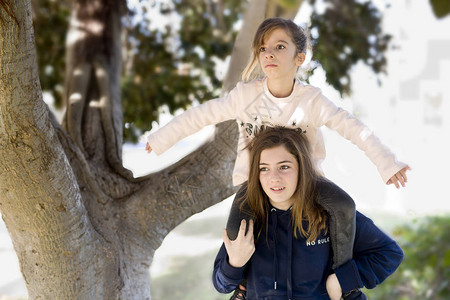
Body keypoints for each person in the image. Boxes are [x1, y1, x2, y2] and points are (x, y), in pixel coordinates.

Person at [146, 17, 410, 299]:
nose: (268, 53)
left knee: (344, 204)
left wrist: (387, 164)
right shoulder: (246, 95)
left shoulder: (312, 101)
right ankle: (243, 286)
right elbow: (202, 115)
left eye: (279, 46)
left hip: (309, 182)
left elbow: (354, 129)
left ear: (300, 57)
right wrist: (160, 139)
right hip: (252, 183)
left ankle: (341, 283)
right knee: (239, 234)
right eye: (262, 48)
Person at [212, 127, 404, 300]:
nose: (274, 178)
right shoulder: (251, 219)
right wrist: (235, 263)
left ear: (301, 168)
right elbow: (222, 284)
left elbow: (389, 254)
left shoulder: (331, 213)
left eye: (284, 167)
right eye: (264, 169)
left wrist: (342, 280)